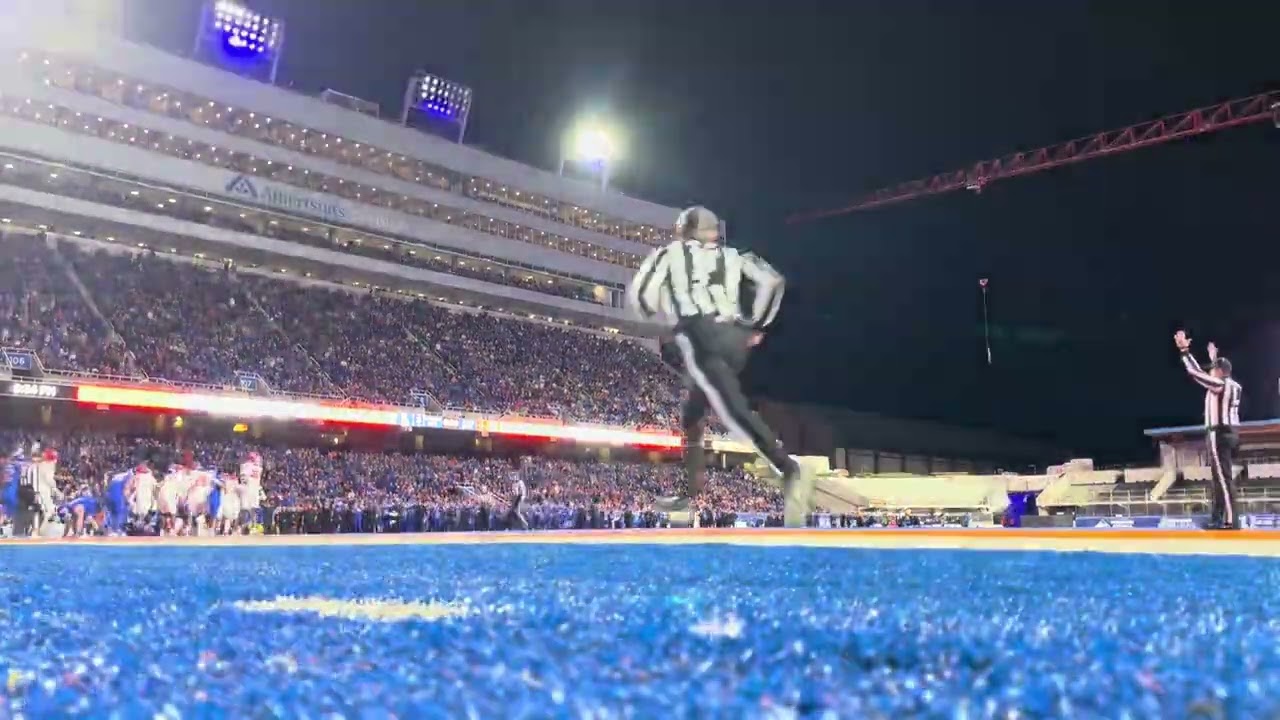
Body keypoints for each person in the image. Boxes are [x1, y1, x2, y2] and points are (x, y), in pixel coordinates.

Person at [628, 205, 815, 527]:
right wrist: (755, 324)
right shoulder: (734, 255)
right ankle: (690, 494)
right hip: (736, 338)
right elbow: (774, 282)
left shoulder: (669, 254)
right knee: (693, 412)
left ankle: (788, 468)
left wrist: (657, 309)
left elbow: (643, 297)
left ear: (683, 231)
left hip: (702, 334)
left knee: (733, 410)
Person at [1174, 330, 1243, 529]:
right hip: (1230, 432)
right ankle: (1218, 517)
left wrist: (1184, 351)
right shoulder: (1233, 385)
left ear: (1220, 371)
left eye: (1213, 368)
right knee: (1220, 478)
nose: (1210, 370)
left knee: (1222, 478)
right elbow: (1215, 373)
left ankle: (1231, 520)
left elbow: (1196, 374)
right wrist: (1213, 359)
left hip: (1218, 433)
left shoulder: (1220, 385)